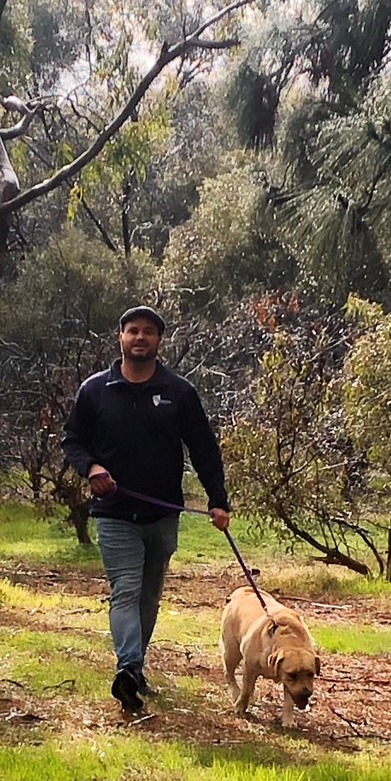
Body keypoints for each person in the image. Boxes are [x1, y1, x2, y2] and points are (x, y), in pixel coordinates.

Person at [62, 305, 230, 712]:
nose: (140, 338)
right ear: (120, 337)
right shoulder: (95, 390)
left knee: (149, 597)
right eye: (133, 331)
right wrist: (92, 468)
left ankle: (135, 669)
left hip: (163, 513)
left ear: (159, 340)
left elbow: (204, 450)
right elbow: (72, 441)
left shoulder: (180, 392)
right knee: (126, 590)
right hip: (114, 512)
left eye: (148, 332)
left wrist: (217, 500)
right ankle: (129, 667)